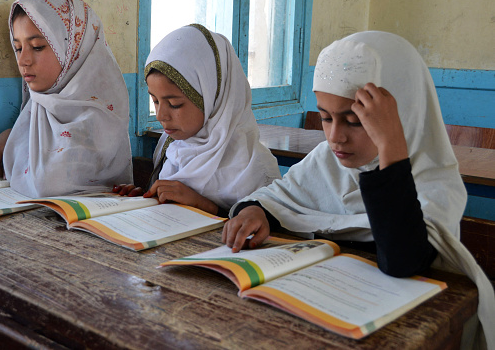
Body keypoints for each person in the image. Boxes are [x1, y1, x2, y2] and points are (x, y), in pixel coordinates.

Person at [222, 31, 494, 349]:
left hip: (411, 331)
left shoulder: (431, 180)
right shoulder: (328, 159)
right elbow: (278, 194)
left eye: (354, 121)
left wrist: (390, 147)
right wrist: (255, 210)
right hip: (324, 318)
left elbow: (403, 261)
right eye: (325, 118)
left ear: (401, 115)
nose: (335, 136)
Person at [115, 24, 281, 216]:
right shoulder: (172, 147)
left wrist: (204, 205)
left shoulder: (256, 169)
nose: (161, 116)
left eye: (175, 104)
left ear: (212, 99)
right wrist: (143, 198)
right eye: (155, 101)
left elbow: (273, 236)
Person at [0, 0, 132, 197]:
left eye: (37, 46)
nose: (22, 60)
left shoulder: (100, 123)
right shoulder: (35, 110)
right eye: (18, 48)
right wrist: (13, 137)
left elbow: (51, 184)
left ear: (74, 50)